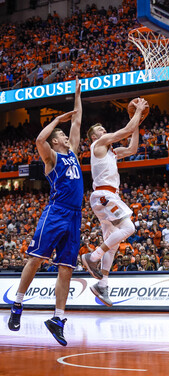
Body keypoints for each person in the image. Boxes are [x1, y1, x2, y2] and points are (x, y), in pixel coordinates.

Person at [8, 77, 83, 347]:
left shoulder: (72, 152)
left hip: (75, 215)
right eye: (62, 135)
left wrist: (77, 95)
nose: (67, 135)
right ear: (57, 141)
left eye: (64, 135)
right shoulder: (51, 157)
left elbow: (77, 121)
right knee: (37, 258)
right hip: (57, 211)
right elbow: (40, 138)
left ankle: (57, 319)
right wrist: (57, 120)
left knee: (66, 269)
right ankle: (17, 303)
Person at [82, 97, 149, 307]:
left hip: (105, 197)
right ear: (94, 136)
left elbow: (132, 148)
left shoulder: (110, 152)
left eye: (104, 130)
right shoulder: (98, 143)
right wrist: (136, 112)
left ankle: (102, 284)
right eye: (101, 130)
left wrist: (135, 121)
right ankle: (92, 257)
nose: (104, 131)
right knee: (129, 227)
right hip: (105, 195)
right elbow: (125, 132)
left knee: (113, 244)